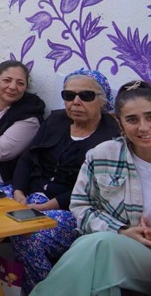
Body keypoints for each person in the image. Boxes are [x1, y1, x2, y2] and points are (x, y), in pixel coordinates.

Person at [5, 69, 121, 294]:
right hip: (28, 197)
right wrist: (19, 193)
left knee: (28, 235)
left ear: (102, 100)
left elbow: (92, 191)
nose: (76, 102)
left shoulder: (112, 137)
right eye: (69, 95)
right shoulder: (57, 119)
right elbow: (28, 158)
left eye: (86, 96)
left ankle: (47, 290)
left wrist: (44, 206)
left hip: (71, 212)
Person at [32, 80, 151, 296]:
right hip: (122, 249)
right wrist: (122, 230)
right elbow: (81, 205)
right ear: (120, 124)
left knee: (97, 248)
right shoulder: (102, 155)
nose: (143, 127)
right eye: (132, 120)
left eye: (150, 117)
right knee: (100, 268)